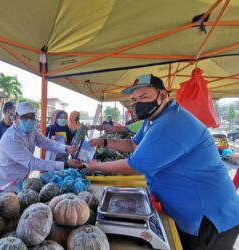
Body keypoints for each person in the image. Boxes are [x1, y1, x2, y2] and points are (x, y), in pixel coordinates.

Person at [88, 74, 239, 250]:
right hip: (189, 211)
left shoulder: (171, 123)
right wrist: (104, 142)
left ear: (162, 96)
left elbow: (135, 166)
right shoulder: (153, 120)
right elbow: (133, 144)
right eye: (135, 99)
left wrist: (96, 165)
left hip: (207, 217)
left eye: (144, 97)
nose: (138, 103)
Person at [0, 102, 82, 192]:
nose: (30, 120)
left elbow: (45, 142)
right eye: (25, 117)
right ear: (15, 118)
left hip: (21, 182)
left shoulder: (31, 130)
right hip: (5, 186)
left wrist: (66, 148)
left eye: (32, 117)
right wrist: (65, 164)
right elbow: (32, 162)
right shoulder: (11, 138)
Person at [0, 102, 16, 187]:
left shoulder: (15, 127)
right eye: (14, 112)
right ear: (8, 112)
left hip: (14, 164)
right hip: (2, 164)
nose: (16, 115)